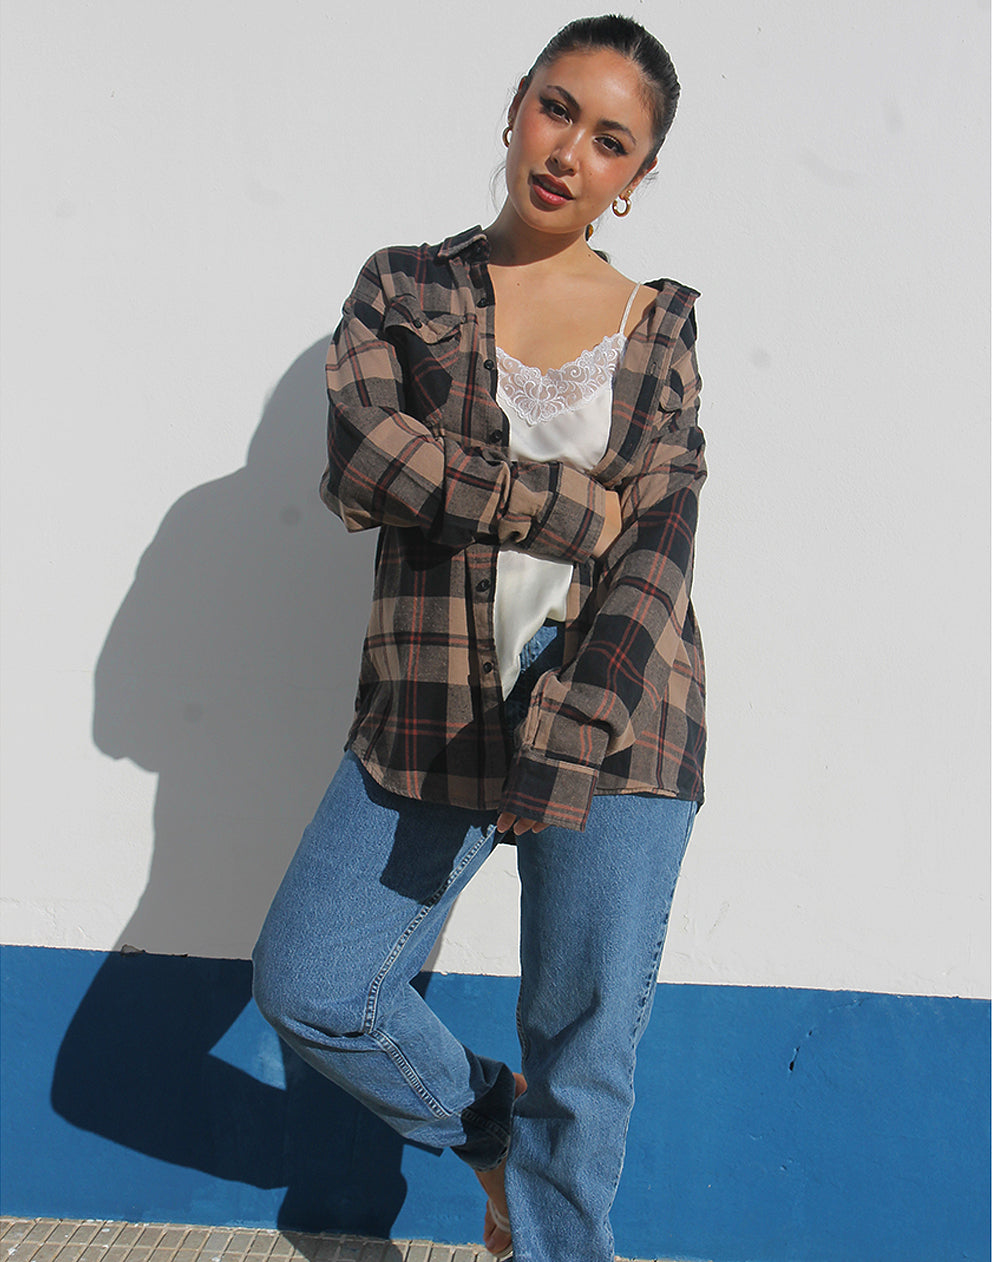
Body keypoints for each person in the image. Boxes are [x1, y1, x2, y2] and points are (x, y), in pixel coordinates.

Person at [252, 14, 707, 1261]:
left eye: (610, 140)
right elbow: (364, 455)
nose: (569, 151)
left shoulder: (657, 327)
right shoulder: (406, 286)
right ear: (517, 105)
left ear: (635, 177)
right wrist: (564, 505)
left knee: (585, 1043)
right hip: (435, 703)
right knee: (310, 981)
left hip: (620, 712)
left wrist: (567, 732)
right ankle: (484, 1124)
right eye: (557, 109)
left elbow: (657, 540)